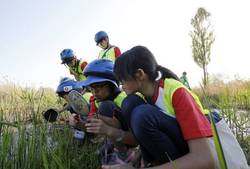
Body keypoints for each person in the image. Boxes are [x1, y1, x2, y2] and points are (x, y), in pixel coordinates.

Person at [102, 46, 216, 169]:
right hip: (176, 151)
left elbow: (205, 159)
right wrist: (141, 152)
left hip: (194, 156)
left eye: (122, 80)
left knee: (142, 114)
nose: (121, 86)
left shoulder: (177, 92)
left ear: (140, 74)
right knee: (130, 103)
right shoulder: (144, 96)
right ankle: (148, 163)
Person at [70, 59, 138, 164]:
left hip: (131, 141)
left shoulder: (125, 101)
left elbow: (137, 137)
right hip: (115, 137)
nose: (94, 92)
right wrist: (80, 124)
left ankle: (124, 154)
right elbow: (97, 128)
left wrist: (108, 130)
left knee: (106, 107)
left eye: (98, 87)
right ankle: (111, 147)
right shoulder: (98, 101)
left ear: (111, 84)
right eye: (91, 87)